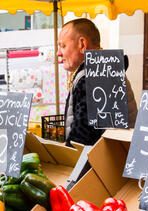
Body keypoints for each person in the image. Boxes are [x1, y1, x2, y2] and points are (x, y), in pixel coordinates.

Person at [57, 18, 138, 147]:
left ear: (82, 45)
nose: (58, 53)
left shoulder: (92, 78)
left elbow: (82, 140)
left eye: (63, 46)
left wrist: (65, 148)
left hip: (104, 164)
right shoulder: (106, 69)